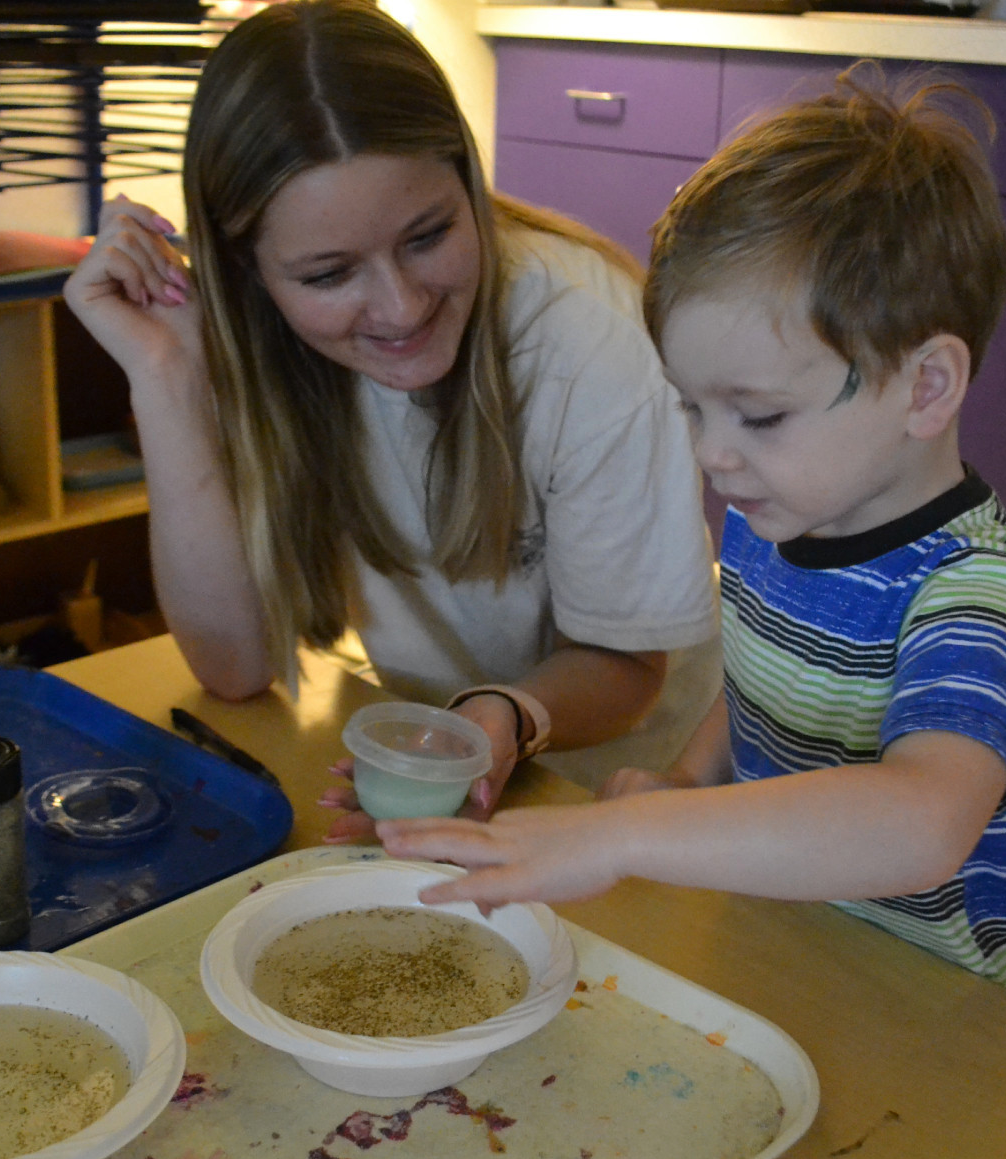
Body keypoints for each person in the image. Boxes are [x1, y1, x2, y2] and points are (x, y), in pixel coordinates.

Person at [380, 67, 1006, 1018]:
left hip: (968, 1014)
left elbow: (922, 821)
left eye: (758, 415)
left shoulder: (970, 593)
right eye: (693, 407)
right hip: (804, 946)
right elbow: (762, 676)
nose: (713, 455)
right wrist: (687, 775)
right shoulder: (783, 513)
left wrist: (634, 835)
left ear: (925, 387)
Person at [63, 0, 719, 835]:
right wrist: (165, 377)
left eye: (428, 235)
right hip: (447, 756)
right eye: (330, 275)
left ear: (466, 182)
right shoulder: (252, 345)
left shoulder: (587, 334)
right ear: (249, 272)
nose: (401, 307)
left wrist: (502, 715)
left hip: (628, 785)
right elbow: (233, 667)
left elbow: (629, 670)